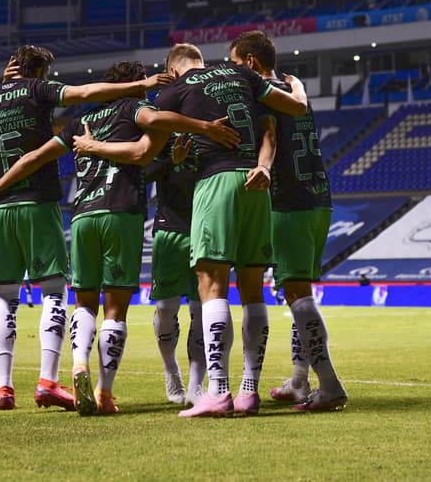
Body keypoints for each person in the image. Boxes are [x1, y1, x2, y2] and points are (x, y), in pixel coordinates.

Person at [0, 59, 239, 415]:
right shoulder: (135, 107)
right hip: (121, 212)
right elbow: (155, 126)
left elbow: (34, 157)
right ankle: (104, 392)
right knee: (115, 309)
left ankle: (79, 363)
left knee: (85, 303)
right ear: (133, 85)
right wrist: (204, 127)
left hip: (83, 214)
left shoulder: (79, 124)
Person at [75, 42, 307, 418]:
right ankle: (249, 390)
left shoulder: (177, 91)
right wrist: (297, 89)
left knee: (211, 286)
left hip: (216, 182)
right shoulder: (241, 74)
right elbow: (290, 113)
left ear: (173, 68)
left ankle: (217, 392)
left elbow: (142, 155)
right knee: (252, 290)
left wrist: (92, 144)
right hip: (255, 182)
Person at [230, 30, 347, 412]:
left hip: (288, 201)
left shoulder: (260, 92)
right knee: (297, 290)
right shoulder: (294, 87)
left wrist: (262, 167)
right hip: (318, 197)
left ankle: (329, 385)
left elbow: (270, 137)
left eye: (234, 63)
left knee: (297, 294)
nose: (232, 72)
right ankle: (299, 379)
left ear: (249, 63)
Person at [141, 134, 206, 406]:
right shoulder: (162, 128)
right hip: (170, 228)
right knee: (166, 309)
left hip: (204, 225)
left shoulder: (210, 124)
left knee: (202, 310)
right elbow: (143, 174)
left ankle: (196, 383)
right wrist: (171, 160)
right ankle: (172, 373)